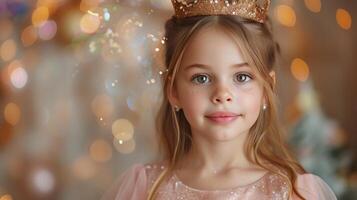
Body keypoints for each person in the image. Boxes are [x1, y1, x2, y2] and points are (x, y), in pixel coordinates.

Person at [101, 0, 337, 199]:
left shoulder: (293, 192)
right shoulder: (145, 188)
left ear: (267, 89)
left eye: (242, 77)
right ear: (173, 90)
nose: (222, 94)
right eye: (201, 78)